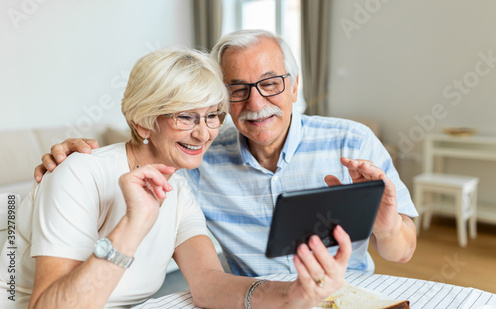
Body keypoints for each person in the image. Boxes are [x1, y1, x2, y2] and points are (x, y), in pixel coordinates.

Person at [34, 29, 417, 278]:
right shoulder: (201, 157)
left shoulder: (352, 142)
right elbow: (148, 145)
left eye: (270, 83)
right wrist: (76, 154)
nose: (256, 102)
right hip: (257, 301)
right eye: (237, 89)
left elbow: (402, 253)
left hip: (346, 296)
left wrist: (386, 226)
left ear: (295, 86)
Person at [0, 48, 352, 309]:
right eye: (186, 117)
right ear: (142, 122)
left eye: (213, 115)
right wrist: (133, 225)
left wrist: (293, 294)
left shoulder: (179, 188)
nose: (204, 134)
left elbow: (209, 284)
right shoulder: (78, 174)